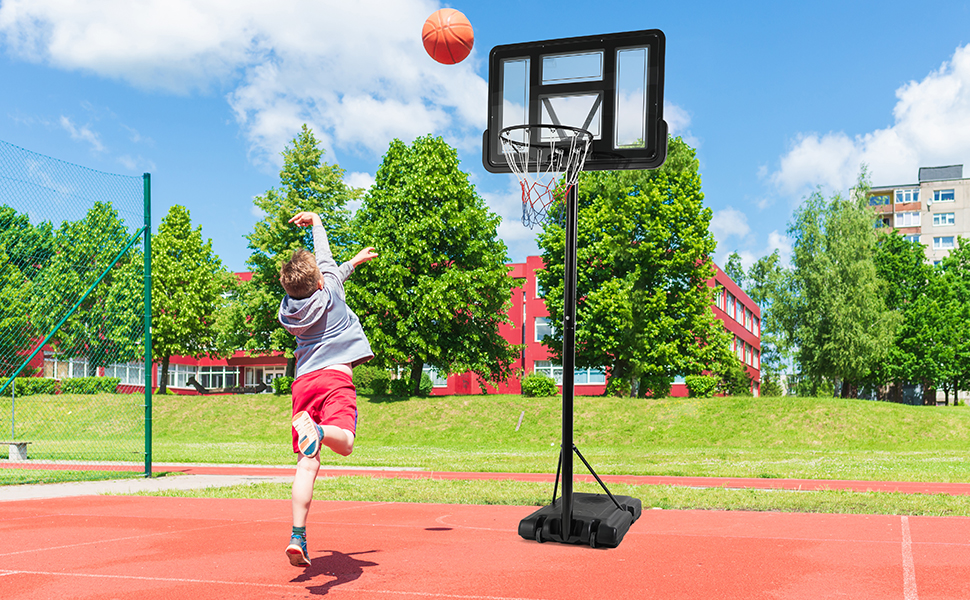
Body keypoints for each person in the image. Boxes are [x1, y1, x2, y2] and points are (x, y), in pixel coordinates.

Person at [277, 211, 377, 567]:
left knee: (307, 464)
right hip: (334, 378)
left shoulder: (289, 309)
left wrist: (355, 261)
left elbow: (329, 268)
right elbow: (327, 258)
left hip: (303, 383)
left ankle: (297, 536)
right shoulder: (330, 289)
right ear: (320, 282)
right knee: (345, 444)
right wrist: (317, 220)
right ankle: (318, 431)